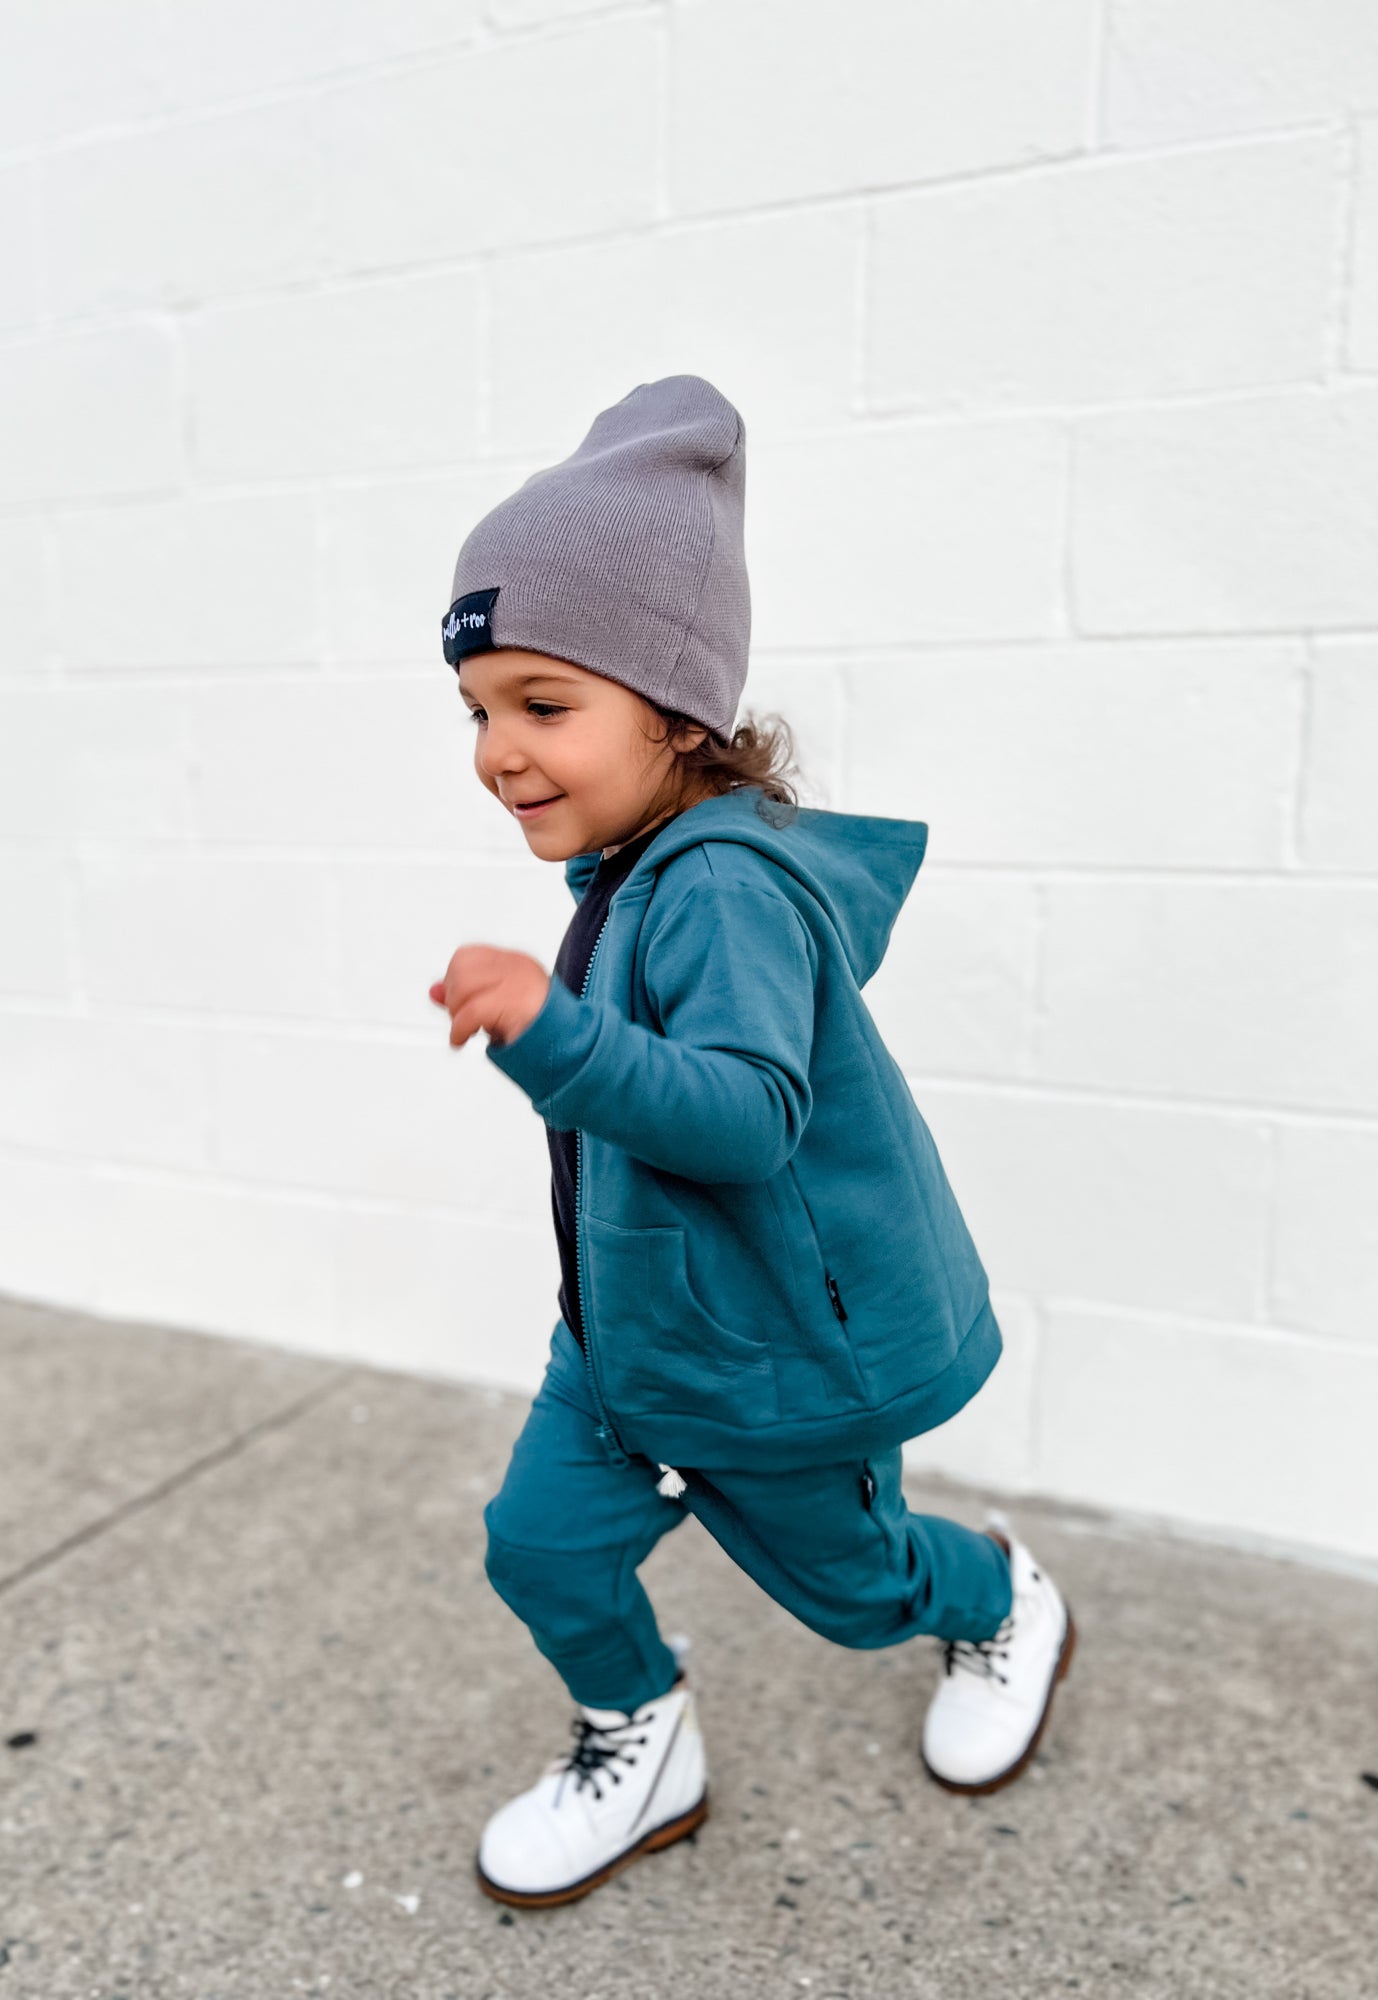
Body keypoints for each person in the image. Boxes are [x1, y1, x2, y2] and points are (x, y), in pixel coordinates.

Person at [428, 375, 1077, 1910]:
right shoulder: (635, 868)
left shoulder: (724, 887)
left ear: (676, 710)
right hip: (634, 1341)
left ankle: (997, 1599)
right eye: (476, 709)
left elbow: (743, 1115)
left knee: (860, 1593)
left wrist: (553, 1034)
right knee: (539, 1547)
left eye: (542, 705)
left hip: (772, 1359)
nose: (497, 749)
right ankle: (642, 1737)